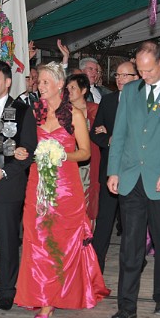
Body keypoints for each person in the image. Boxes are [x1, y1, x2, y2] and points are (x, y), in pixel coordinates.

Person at [106, 40, 160, 318]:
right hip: (131, 179)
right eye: (140, 71)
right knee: (130, 246)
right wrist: (113, 171)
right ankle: (126, 306)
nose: (144, 76)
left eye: (149, 71)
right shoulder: (130, 92)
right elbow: (119, 134)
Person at [13, 62, 108, 318]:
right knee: (37, 238)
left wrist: (62, 155)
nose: (40, 86)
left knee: (63, 240)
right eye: (38, 82)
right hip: (38, 184)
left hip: (66, 187)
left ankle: (59, 294)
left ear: (59, 85)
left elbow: (85, 153)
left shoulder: (74, 114)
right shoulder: (34, 112)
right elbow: (27, 146)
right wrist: (21, 151)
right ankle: (42, 294)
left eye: (45, 82)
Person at [0, 60, 35, 311]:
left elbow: (28, 150)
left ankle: (8, 291)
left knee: (8, 240)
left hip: (7, 185)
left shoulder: (21, 110)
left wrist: (3, 172)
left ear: (8, 82)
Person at [91, 61, 138, 271]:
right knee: (104, 220)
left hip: (134, 170)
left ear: (136, 78)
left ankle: (134, 261)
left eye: (125, 75)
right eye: (117, 75)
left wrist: (113, 136)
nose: (120, 79)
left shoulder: (144, 102)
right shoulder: (108, 100)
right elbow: (95, 133)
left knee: (131, 222)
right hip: (110, 168)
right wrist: (110, 139)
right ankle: (95, 264)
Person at [66, 72, 100, 221]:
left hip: (90, 161)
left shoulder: (96, 110)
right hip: (69, 161)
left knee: (90, 200)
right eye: (67, 88)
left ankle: (87, 232)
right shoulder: (62, 112)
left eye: (73, 88)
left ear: (84, 90)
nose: (69, 91)